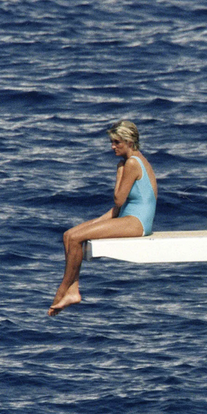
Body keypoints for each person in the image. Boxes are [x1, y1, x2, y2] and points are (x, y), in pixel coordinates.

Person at [48, 120, 158, 316]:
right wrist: (97, 222)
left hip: (137, 222)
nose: (112, 146)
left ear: (129, 141)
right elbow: (118, 209)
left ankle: (63, 289)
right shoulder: (132, 161)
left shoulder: (132, 163)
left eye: (117, 142)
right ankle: (73, 290)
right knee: (69, 235)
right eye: (112, 142)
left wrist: (119, 172)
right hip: (126, 217)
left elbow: (118, 199)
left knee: (75, 239)